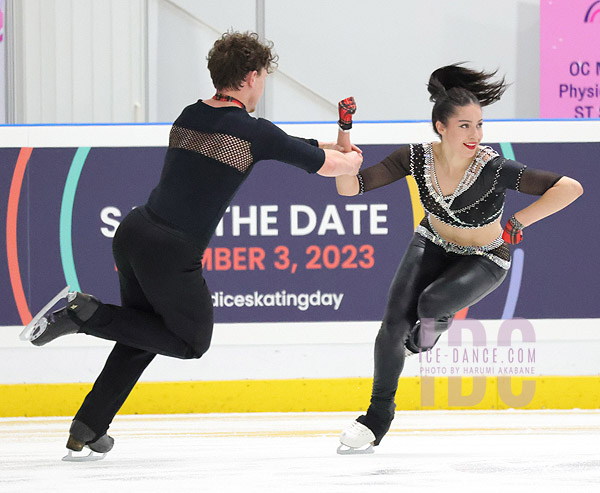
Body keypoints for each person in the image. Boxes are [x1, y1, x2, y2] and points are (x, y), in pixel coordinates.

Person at [21, 31, 362, 460]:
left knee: (142, 334)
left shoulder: (190, 115)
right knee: (190, 342)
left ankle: (88, 427)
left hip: (134, 234)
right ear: (253, 76)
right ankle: (85, 313)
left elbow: (287, 145)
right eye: (263, 79)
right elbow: (337, 165)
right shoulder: (254, 133)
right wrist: (350, 149)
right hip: (171, 252)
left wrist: (333, 143)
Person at [334, 64, 583, 453]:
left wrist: (519, 220)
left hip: (485, 257)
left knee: (431, 306)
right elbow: (350, 187)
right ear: (441, 126)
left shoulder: (493, 167)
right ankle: (375, 419)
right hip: (431, 243)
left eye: (479, 125)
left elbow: (569, 187)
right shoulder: (414, 158)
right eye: (465, 125)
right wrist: (344, 131)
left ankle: (428, 336)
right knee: (391, 327)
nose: (476, 134)